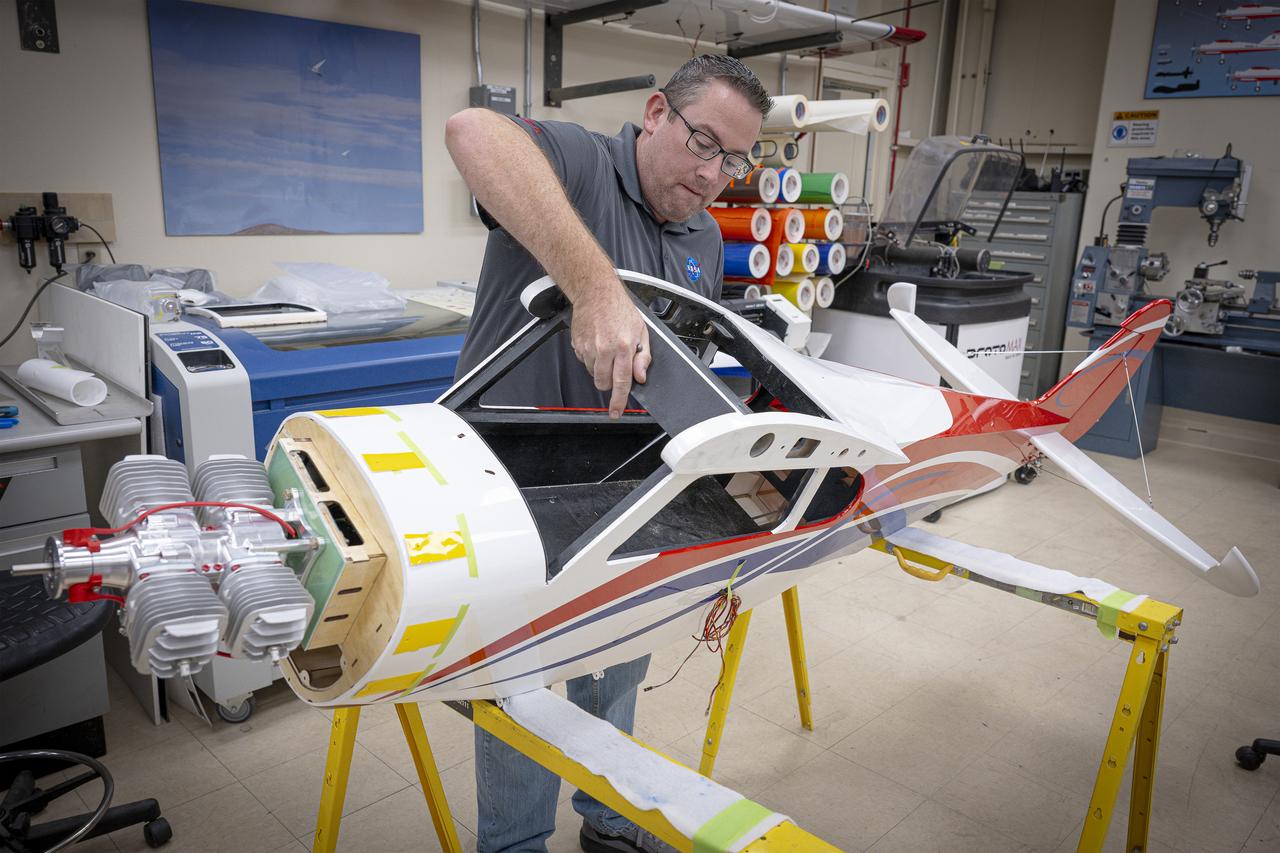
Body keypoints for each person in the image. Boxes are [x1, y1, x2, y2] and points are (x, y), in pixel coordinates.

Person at [445, 54, 770, 853]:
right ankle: (516, 843)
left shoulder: (700, 233)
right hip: (512, 478)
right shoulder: (584, 163)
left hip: (629, 481)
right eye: (702, 142)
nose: (711, 174)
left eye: (733, 159)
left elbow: (683, 363)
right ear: (655, 112)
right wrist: (594, 287)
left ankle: (610, 818)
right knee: (524, 680)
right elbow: (472, 131)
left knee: (621, 647)